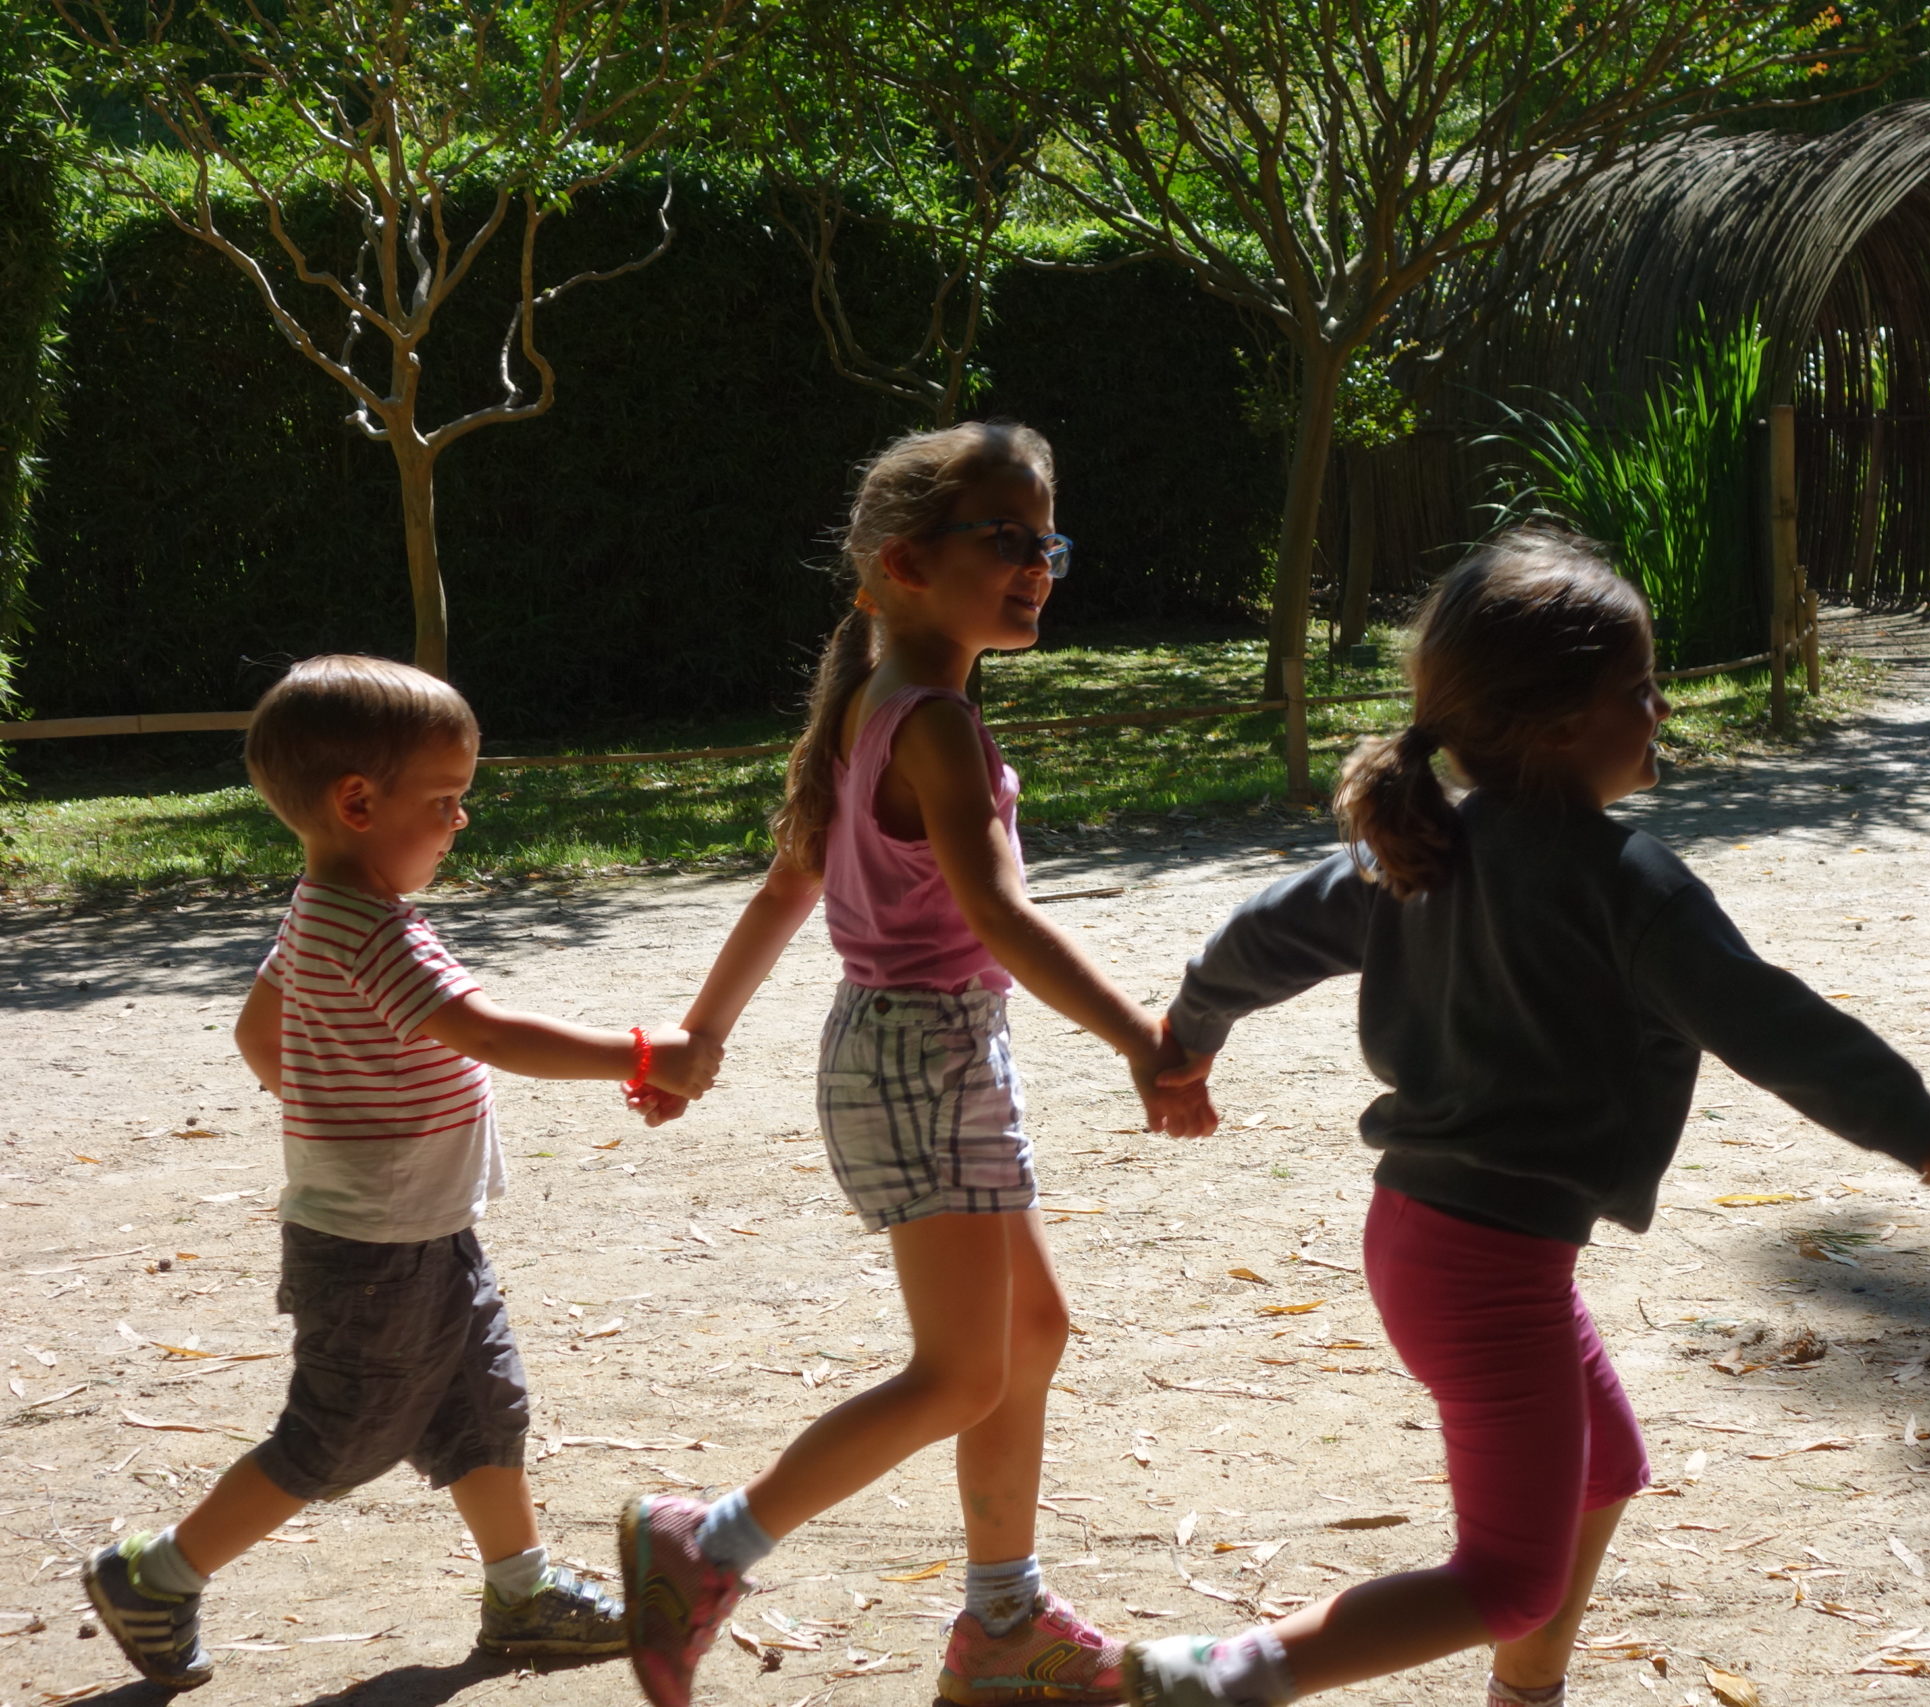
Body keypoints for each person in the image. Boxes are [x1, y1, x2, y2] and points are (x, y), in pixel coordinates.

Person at [1128, 528, 1930, 1707]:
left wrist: (1192, 1032)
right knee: (1509, 1579)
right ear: (1561, 722)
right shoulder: (1624, 884)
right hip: (1486, 1265)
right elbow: (1774, 1026)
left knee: (1600, 1474)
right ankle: (1187, 1682)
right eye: (1639, 688)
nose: (1659, 708)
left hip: (1432, 1242)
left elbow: (1261, 933)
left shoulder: (1422, 846)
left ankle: (1526, 1698)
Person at [617, 421, 1215, 1707]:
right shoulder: (928, 723)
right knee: (960, 1370)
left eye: (1047, 541)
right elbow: (997, 914)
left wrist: (703, 1037)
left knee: (1029, 1332)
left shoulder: (874, 708)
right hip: (920, 1055)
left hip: (931, 1050)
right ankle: (705, 1543)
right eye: (1004, 539)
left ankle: (1003, 1622)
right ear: (902, 563)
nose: (1038, 566)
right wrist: (1142, 1038)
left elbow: (788, 884)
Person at [82, 655, 722, 1692]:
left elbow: (259, 1033)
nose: (460, 819)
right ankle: (156, 1574)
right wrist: (641, 1054)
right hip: (372, 1248)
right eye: (445, 799)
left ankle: (521, 1592)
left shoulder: (319, 908)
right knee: (334, 1439)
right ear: (358, 802)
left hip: (420, 1229)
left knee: (483, 1408)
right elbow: (486, 1030)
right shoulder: (369, 924)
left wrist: (334, 1097)